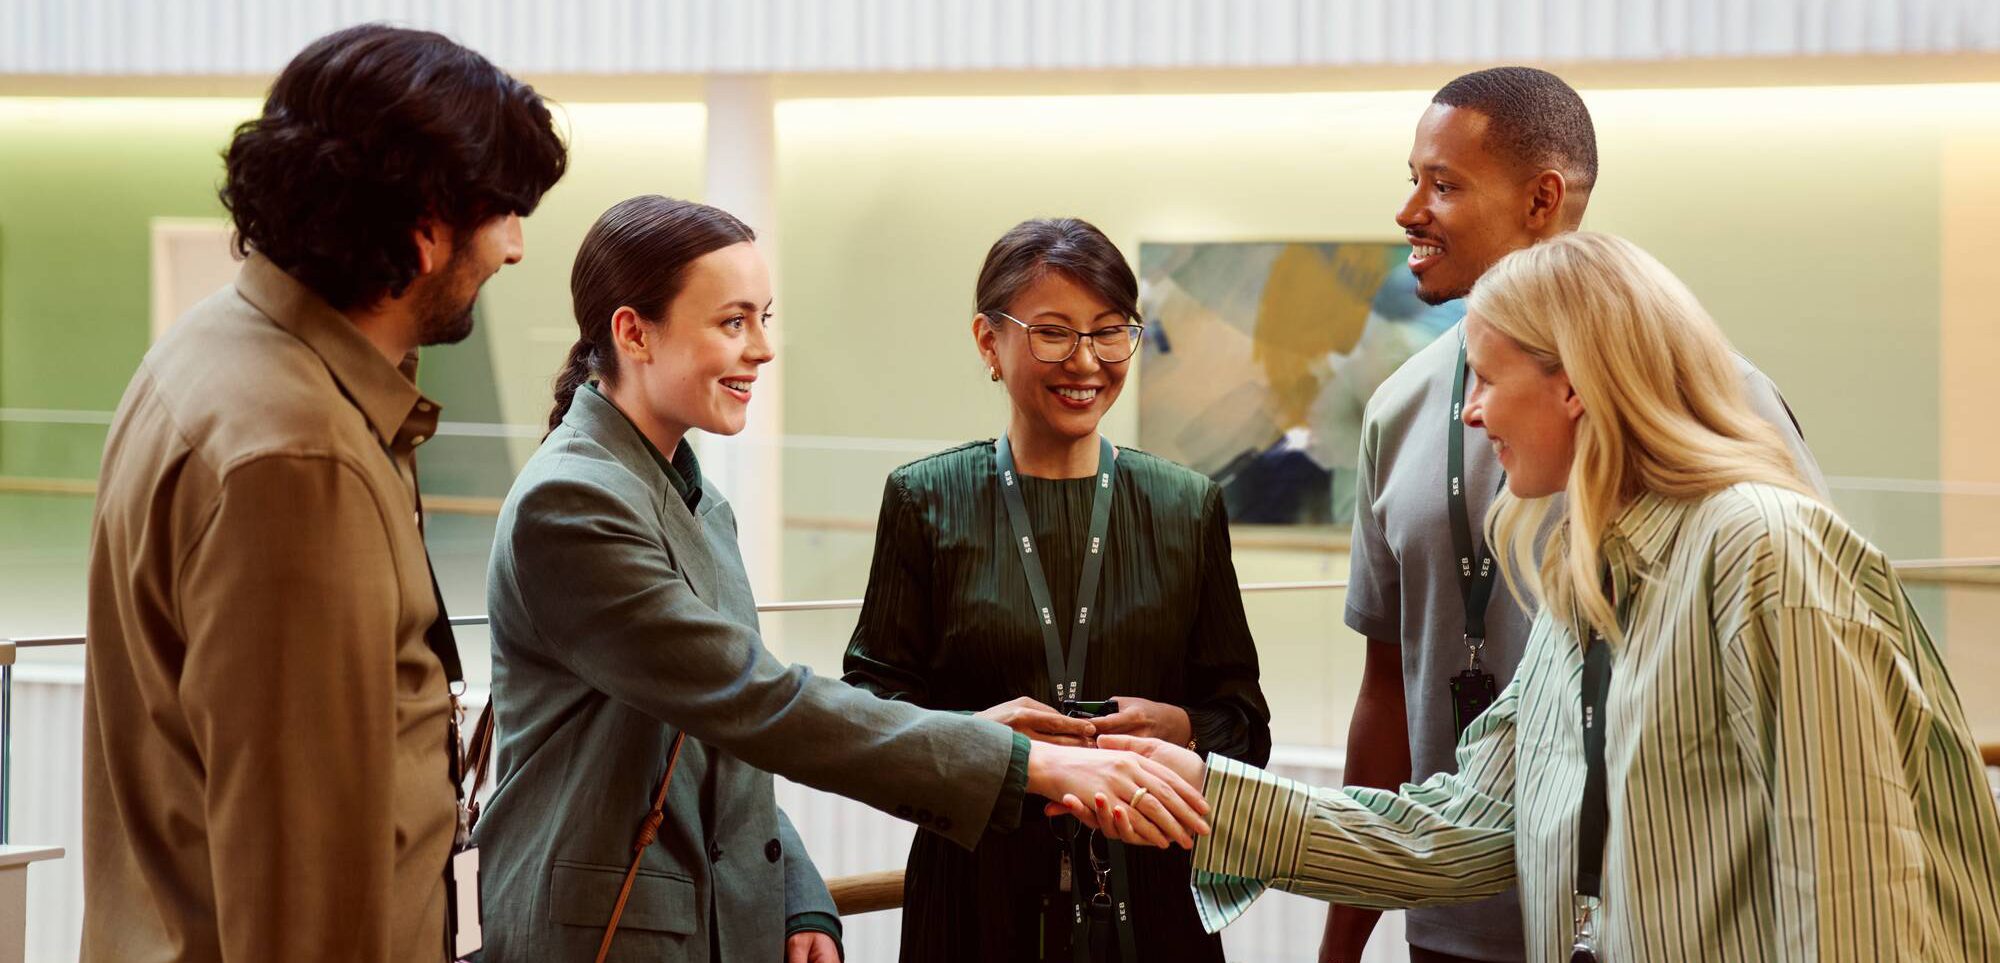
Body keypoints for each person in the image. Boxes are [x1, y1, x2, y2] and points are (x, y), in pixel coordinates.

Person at [1090, 232, 2000, 962]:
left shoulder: (1762, 549)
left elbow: (1854, 896)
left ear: (1571, 383)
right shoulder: (1585, 584)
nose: (1470, 411)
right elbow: (1460, 829)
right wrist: (1200, 790)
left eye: (1486, 378)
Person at [475, 197, 1212, 963]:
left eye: (764, 317)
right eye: (733, 321)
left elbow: (725, 736)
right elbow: (757, 700)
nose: (763, 348)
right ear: (634, 333)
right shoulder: (573, 501)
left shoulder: (698, 501)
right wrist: (1034, 762)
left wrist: (795, 891)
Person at [79, 24, 566, 962]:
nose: (514, 246)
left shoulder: (215, 348)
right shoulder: (301, 460)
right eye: (503, 210)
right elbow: (304, 894)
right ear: (425, 225)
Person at [1326, 66, 1826, 963]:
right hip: (1452, 921)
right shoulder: (1397, 407)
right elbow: (1386, 691)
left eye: (1443, 185)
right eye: (1412, 180)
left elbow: (1809, 729)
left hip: (1656, 927)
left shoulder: (1718, 403)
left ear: (1542, 199)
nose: (1408, 211)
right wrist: (1341, 945)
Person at [842, 217, 1272, 963]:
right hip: (974, 901)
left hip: (1152, 889)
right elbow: (868, 719)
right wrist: (978, 736)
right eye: (1053, 333)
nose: (1086, 361)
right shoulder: (925, 499)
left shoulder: (1186, 505)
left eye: (1110, 332)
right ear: (989, 342)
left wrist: (1183, 726)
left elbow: (1246, 724)